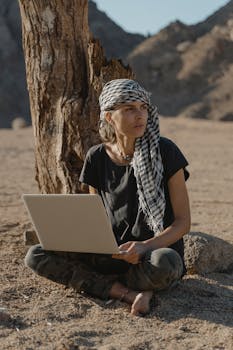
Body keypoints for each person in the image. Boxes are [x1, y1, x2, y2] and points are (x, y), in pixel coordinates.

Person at [25, 79, 191, 316]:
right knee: (36, 254)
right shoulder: (96, 157)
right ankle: (129, 292)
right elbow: (96, 217)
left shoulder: (166, 152)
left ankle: (114, 285)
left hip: (153, 253)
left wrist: (145, 247)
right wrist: (99, 245)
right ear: (109, 117)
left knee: (166, 263)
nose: (140, 115)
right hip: (113, 253)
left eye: (143, 107)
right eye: (129, 109)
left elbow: (182, 222)